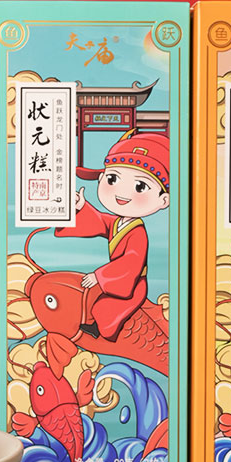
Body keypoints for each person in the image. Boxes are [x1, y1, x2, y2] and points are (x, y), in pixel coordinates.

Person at [55, 130, 169, 341]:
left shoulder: (138, 233)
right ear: (101, 178)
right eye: (113, 179)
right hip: (116, 280)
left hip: (132, 285)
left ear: (164, 200)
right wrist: (81, 207)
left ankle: (103, 333)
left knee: (104, 308)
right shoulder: (118, 222)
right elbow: (99, 220)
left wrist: (99, 276)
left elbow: (131, 263)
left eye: (140, 186)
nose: (122, 193)